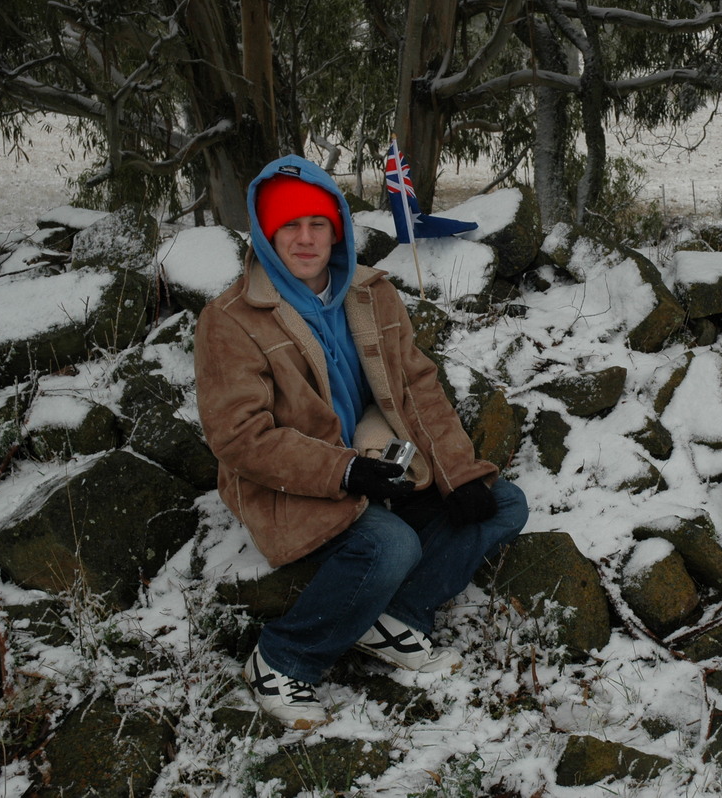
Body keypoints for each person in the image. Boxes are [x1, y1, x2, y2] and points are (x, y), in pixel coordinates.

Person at [194, 154, 528, 730]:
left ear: (337, 229)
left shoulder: (373, 292)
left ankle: (391, 617)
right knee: (389, 545)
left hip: (381, 463)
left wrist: (457, 470)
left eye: (317, 223)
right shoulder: (230, 318)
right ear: (267, 233)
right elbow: (239, 436)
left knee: (501, 503)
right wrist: (345, 472)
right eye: (288, 225)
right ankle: (282, 660)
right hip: (292, 482)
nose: (304, 238)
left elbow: (417, 388)